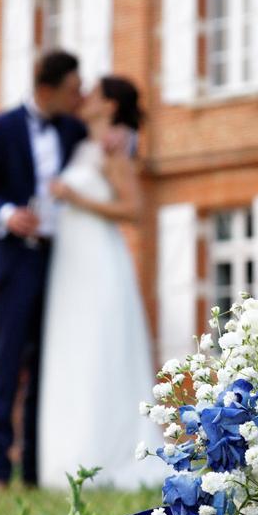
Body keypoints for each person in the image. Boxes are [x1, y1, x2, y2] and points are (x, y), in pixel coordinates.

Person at [0, 52, 87, 495]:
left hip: (61, 262)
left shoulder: (74, 130)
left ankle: (35, 472)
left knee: (46, 368)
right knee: (7, 364)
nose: (80, 97)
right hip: (14, 260)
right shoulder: (0, 128)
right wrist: (6, 213)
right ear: (47, 88)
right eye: (73, 88)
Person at [38, 77, 167, 490]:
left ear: (108, 104)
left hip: (98, 259)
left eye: (91, 93)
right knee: (73, 353)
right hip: (70, 265)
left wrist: (76, 199)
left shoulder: (113, 150)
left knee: (100, 350)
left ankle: (107, 456)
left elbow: (133, 209)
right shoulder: (82, 143)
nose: (83, 98)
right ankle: (68, 458)